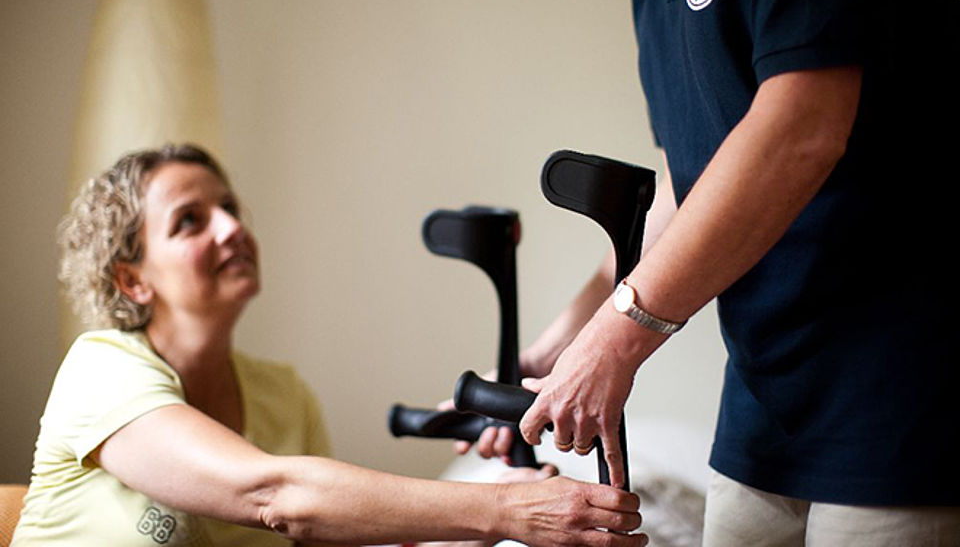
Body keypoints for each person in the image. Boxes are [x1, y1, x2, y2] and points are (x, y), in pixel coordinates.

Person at [471, 0, 960, 545]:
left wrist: (617, 343)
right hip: (766, 391)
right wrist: (558, 350)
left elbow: (801, 129)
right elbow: (688, 186)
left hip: (900, 378)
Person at [11, 143, 645, 546]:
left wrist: (477, 533)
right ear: (132, 280)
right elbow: (273, 496)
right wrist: (505, 509)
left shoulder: (283, 395)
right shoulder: (101, 368)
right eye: (190, 221)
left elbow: (324, 534)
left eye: (229, 207)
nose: (232, 227)